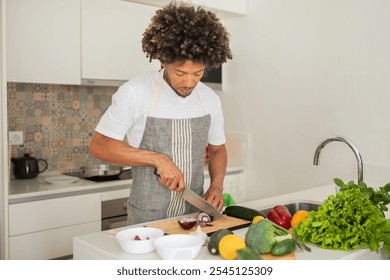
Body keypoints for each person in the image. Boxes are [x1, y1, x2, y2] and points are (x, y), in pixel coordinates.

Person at [90, 1, 232, 225]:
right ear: (163, 60)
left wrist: (217, 185)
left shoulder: (210, 99)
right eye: (180, 72)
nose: (189, 82)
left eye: (198, 73)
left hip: (194, 214)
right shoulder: (136, 91)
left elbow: (218, 150)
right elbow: (99, 145)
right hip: (147, 217)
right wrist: (157, 159)